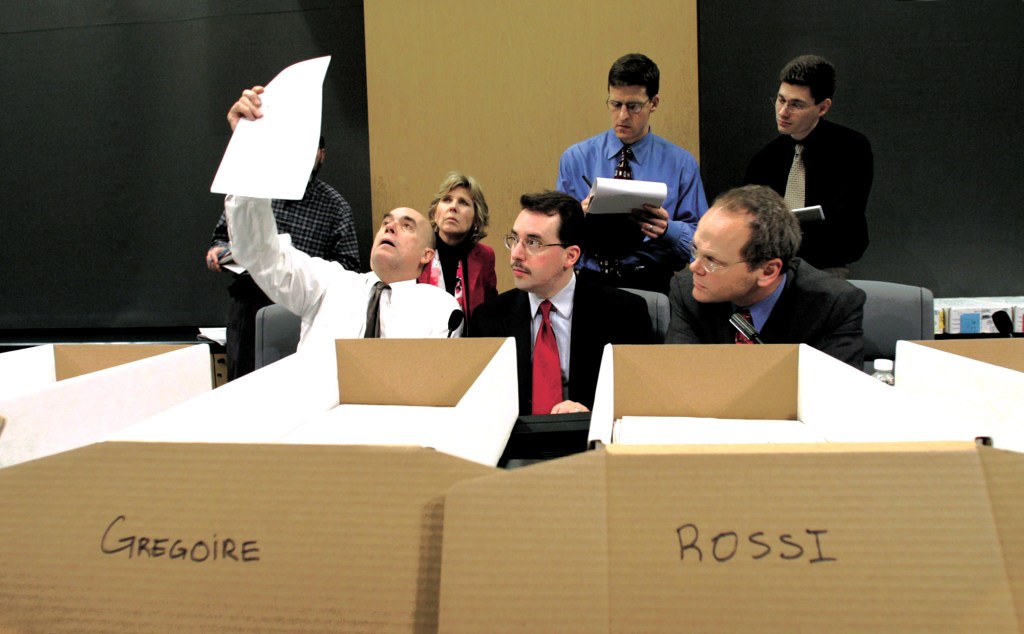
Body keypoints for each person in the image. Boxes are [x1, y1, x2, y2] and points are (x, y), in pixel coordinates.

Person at [221, 86, 461, 350]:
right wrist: (247, 150)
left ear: (427, 255)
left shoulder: (440, 307)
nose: (390, 227)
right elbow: (259, 253)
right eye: (386, 223)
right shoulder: (328, 283)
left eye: (406, 226)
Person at [470, 191, 653, 416]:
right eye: (515, 239)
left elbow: (640, 399)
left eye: (533, 242)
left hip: (592, 441)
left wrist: (590, 414)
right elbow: (480, 406)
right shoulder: (488, 318)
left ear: (570, 256)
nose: (516, 254)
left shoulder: (624, 313)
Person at [206, 135, 360, 380]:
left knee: (296, 382)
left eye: (310, 149)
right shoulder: (256, 192)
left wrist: (303, 267)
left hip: (302, 307)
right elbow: (221, 238)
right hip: (250, 299)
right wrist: (219, 252)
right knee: (244, 382)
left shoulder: (335, 206)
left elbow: (349, 266)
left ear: (321, 155)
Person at [666, 185, 866, 369]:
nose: (694, 266)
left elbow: (837, 397)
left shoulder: (833, 305)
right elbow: (680, 379)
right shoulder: (687, 292)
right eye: (695, 249)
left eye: (711, 260)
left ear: (768, 271)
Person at [557, 53, 708, 294]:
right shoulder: (576, 158)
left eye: (634, 106)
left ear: (654, 103)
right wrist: (578, 217)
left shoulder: (681, 164)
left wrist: (668, 230)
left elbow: (703, 244)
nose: (623, 116)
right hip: (589, 281)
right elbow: (557, 236)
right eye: (615, 104)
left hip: (652, 281)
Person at [744, 54, 873, 279]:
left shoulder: (851, 148)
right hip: (773, 267)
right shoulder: (765, 159)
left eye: (796, 105)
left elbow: (846, 221)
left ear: (822, 108)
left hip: (826, 265)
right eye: (781, 100)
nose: (783, 112)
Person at [417, 172, 498, 332]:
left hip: (468, 349)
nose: (453, 207)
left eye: (463, 203)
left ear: (476, 218)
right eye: (446, 200)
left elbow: (491, 314)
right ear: (435, 212)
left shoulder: (484, 257)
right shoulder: (416, 251)